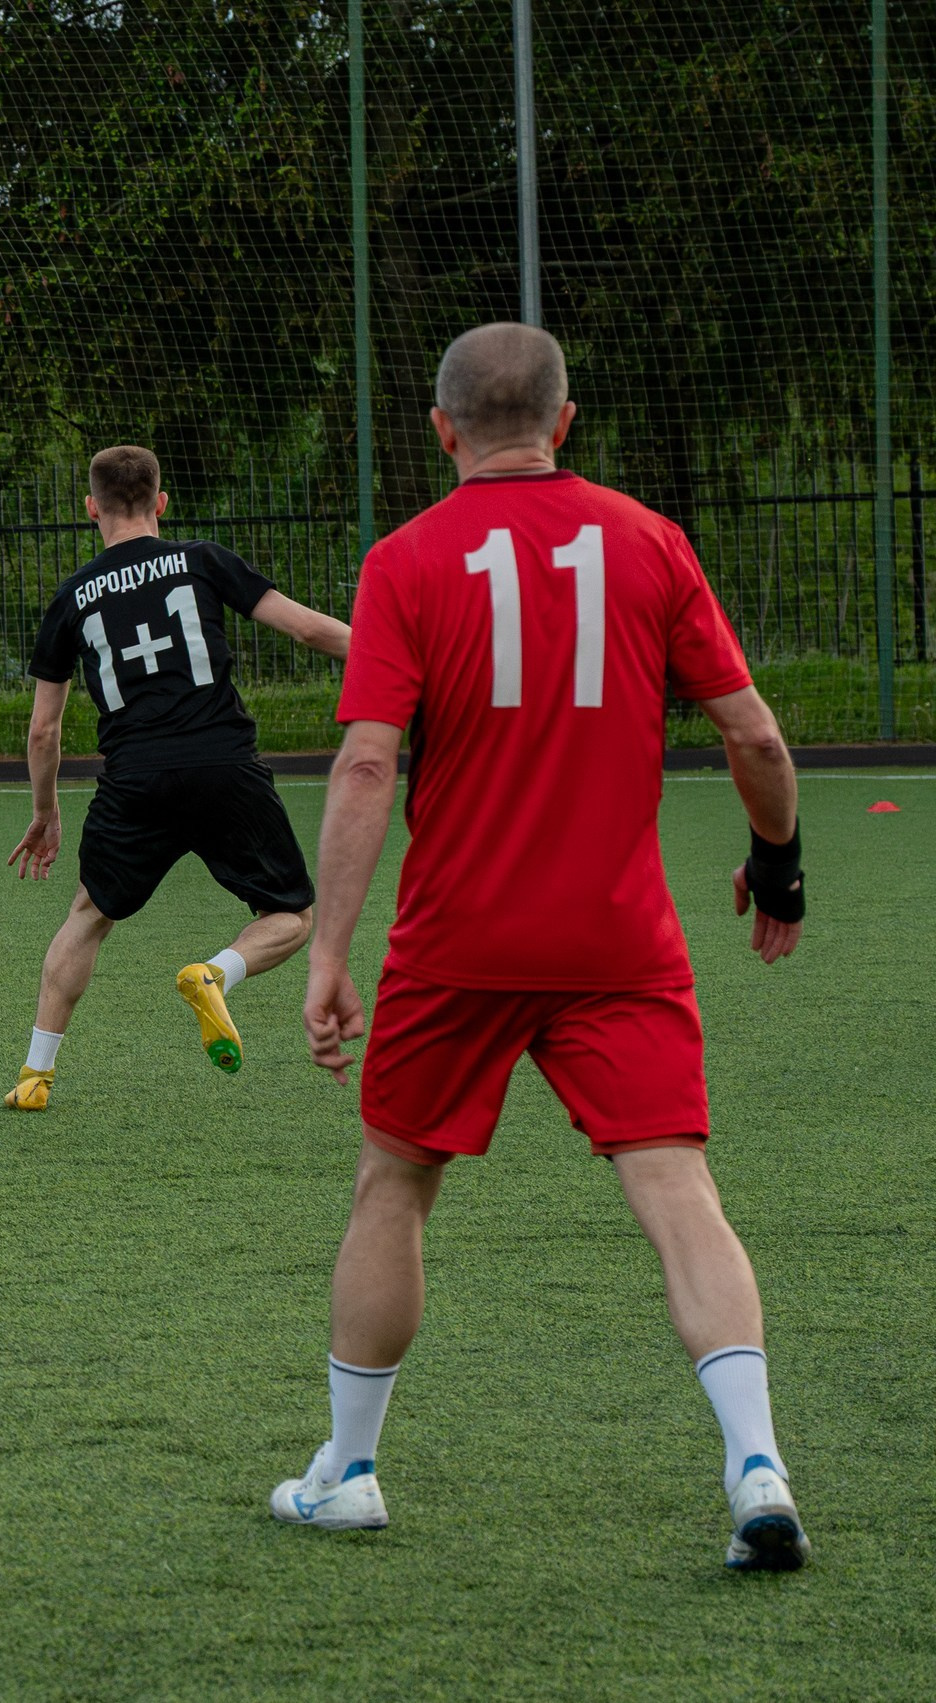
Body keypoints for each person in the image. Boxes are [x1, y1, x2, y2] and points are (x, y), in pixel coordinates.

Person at [278, 324, 811, 1571]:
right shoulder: (649, 540)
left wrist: (326, 949)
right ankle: (757, 1463)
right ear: (564, 422)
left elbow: (366, 764)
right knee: (676, 1187)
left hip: (455, 940)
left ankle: (348, 1471)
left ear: (442, 430)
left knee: (393, 1183)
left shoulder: (405, 559)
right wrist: (777, 861)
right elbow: (754, 734)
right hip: (618, 940)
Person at [4, 446, 351, 1109]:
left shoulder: (72, 596)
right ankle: (215, 973)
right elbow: (308, 631)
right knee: (290, 915)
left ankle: (34, 1076)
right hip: (225, 766)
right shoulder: (202, 560)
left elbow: (44, 730)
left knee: (88, 916)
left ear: (92, 508)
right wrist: (397, 659)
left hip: (134, 781)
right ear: (161, 502)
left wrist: (45, 811)